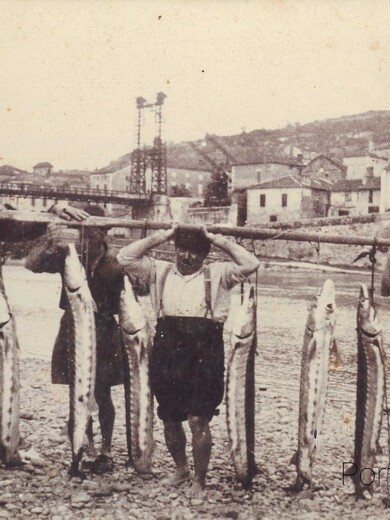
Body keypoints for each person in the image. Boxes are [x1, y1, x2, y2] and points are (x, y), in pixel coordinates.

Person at [116, 225, 260, 497]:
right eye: (181, 249)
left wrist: (218, 240)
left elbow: (251, 263)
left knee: (198, 419)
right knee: (170, 418)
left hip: (205, 353)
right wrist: (162, 236)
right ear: (175, 250)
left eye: (194, 252)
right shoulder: (159, 270)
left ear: (205, 255)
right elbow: (125, 257)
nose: (186, 256)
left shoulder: (218, 274)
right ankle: (181, 469)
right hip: (167, 351)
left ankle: (200, 480)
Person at [25, 203, 125, 474]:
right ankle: (84, 448)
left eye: (93, 232)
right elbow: (31, 263)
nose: (87, 238)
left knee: (102, 394)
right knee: (76, 392)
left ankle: (106, 449)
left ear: (103, 234)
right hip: (72, 327)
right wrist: (51, 233)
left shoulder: (115, 264)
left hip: (103, 331)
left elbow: (128, 300)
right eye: (83, 232)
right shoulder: (69, 257)